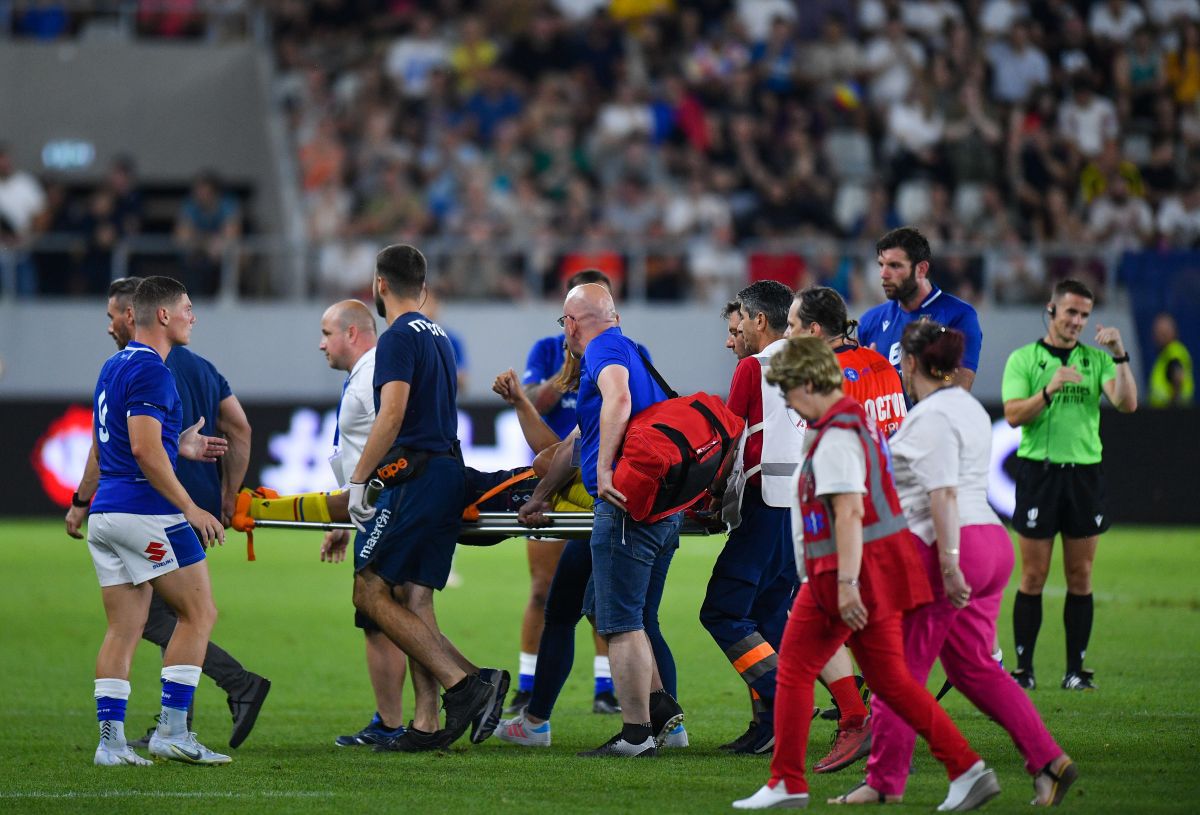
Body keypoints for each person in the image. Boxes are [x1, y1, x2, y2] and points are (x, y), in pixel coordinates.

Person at [733, 336, 998, 811]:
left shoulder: (836, 433)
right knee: (893, 682)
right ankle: (966, 767)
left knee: (793, 671)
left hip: (843, 573)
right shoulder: (857, 423)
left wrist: (846, 584)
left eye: (792, 393)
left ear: (811, 382)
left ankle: (787, 781)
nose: (791, 406)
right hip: (869, 569)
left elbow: (850, 511)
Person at [832, 321, 1077, 806]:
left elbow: (941, 493)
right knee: (974, 669)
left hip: (952, 546)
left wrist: (947, 564)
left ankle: (884, 782)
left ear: (911, 362)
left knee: (897, 673)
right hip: (989, 540)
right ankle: (1049, 759)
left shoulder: (931, 417)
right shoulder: (965, 407)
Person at [67, 277, 269, 752]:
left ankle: (111, 743)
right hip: (148, 512)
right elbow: (141, 448)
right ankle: (174, 733)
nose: (192, 317)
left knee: (124, 628)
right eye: (187, 308)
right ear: (163, 315)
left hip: (108, 514)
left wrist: (181, 444)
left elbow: (118, 442)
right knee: (198, 613)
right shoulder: (155, 371)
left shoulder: (113, 366)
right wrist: (191, 506)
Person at [345, 244, 507, 751]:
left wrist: (359, 479)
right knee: (414, 596)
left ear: (379, 285)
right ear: (424, 287)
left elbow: (391, 414)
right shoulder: (439, 337)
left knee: (369, 592)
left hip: (417, 477)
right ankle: (426, 722)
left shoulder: (394, 338)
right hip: (447, 472)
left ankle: (466, 685)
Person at [517, 282, 684, 758]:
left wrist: (607, 470)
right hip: (656, 506)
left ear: (572, 324)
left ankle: (636, 735)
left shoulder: (602, 349)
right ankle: (663, 716)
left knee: (622, 621)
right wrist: (542, 495)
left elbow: (618, 402)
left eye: (563, 322)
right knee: (607, 608)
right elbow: (577, 439)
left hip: (627, 506)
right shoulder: (627, 347)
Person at [1002, 279, 1138, 691]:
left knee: (1081, 574)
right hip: (1038, 473)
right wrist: (1048, 390)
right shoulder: (1024, 359)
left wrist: (1120, 356)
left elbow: (1127, 403)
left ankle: (1075, 671)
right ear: (1052, 310)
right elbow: (1012, 415)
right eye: (1071, 312)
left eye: (1084, 314)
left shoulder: (1097, 361)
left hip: (1083, 474)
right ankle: (1024, 670)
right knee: (1034, 575)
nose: (1077, 321)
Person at [506, 269, 624, 716]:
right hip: (557, 485)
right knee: (543, 590)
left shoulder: (624, 355)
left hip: (596, 485)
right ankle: (528, 683)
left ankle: (605, 686)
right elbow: (537, 402)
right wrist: (565, 372)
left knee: (602, 596)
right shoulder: (549, 350)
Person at [701, 281, 804, 756]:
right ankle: (768, 729)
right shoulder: (815, 362)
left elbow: (728, 439)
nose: (734, 331)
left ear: (760, 321)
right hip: (804, 510)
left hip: (765, 505)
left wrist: (712, 492)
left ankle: (785, 706)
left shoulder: (753, 368)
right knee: (765, 616)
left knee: (722, 610)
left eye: (739, 319)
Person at [312, 299, 415, 748]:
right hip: (374, 509)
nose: (321, 344)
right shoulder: (369, 372)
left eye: (327, 333)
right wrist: (346, 518)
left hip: (384, 509)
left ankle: (395, 721)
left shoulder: (375, 375)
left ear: (353, 333)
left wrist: (365, 502)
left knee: (379, 614)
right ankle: (403, 717)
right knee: (394, 613)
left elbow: (392, 437)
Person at [857, 227, 983, 392]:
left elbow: (959, 389)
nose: (883, 274)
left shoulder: (959, 315)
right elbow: (855, 392)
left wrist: (888, 376)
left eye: (894, 265)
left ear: (921, 269)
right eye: (881, 265)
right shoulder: (869, 321)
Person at [1148, 313, 1194, 407]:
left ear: (1172, 332)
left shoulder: (1173, 353)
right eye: (1157, 332)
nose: (1158, 336)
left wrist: (1172, 407)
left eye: (1162, 333)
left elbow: (1178, 378)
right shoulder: (1167, 353)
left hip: (1170, 415)